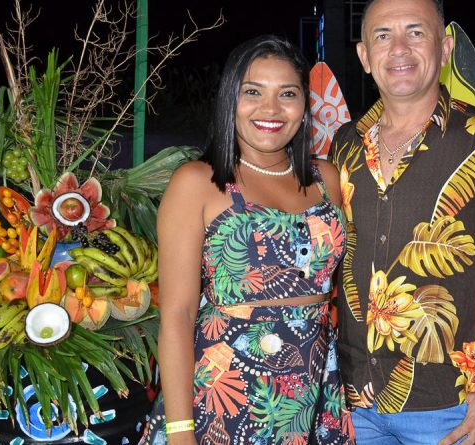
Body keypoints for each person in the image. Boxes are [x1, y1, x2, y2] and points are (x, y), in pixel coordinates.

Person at [329, 1, 475, 444]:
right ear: (364, 56)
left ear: (444, 48)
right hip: (350, 402)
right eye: (382, 35)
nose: (399, 48)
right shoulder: (343, 145)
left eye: (415, 32)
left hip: (450, 411)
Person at [140, 35, 354, 445]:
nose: (270, 109)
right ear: (230, 100)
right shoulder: (198, 182)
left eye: (287, 93)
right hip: (225, 394)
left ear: (304, 106)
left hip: (312, 391)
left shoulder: (326, 179)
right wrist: (181, 431)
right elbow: (178, 315)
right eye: (253, 92)